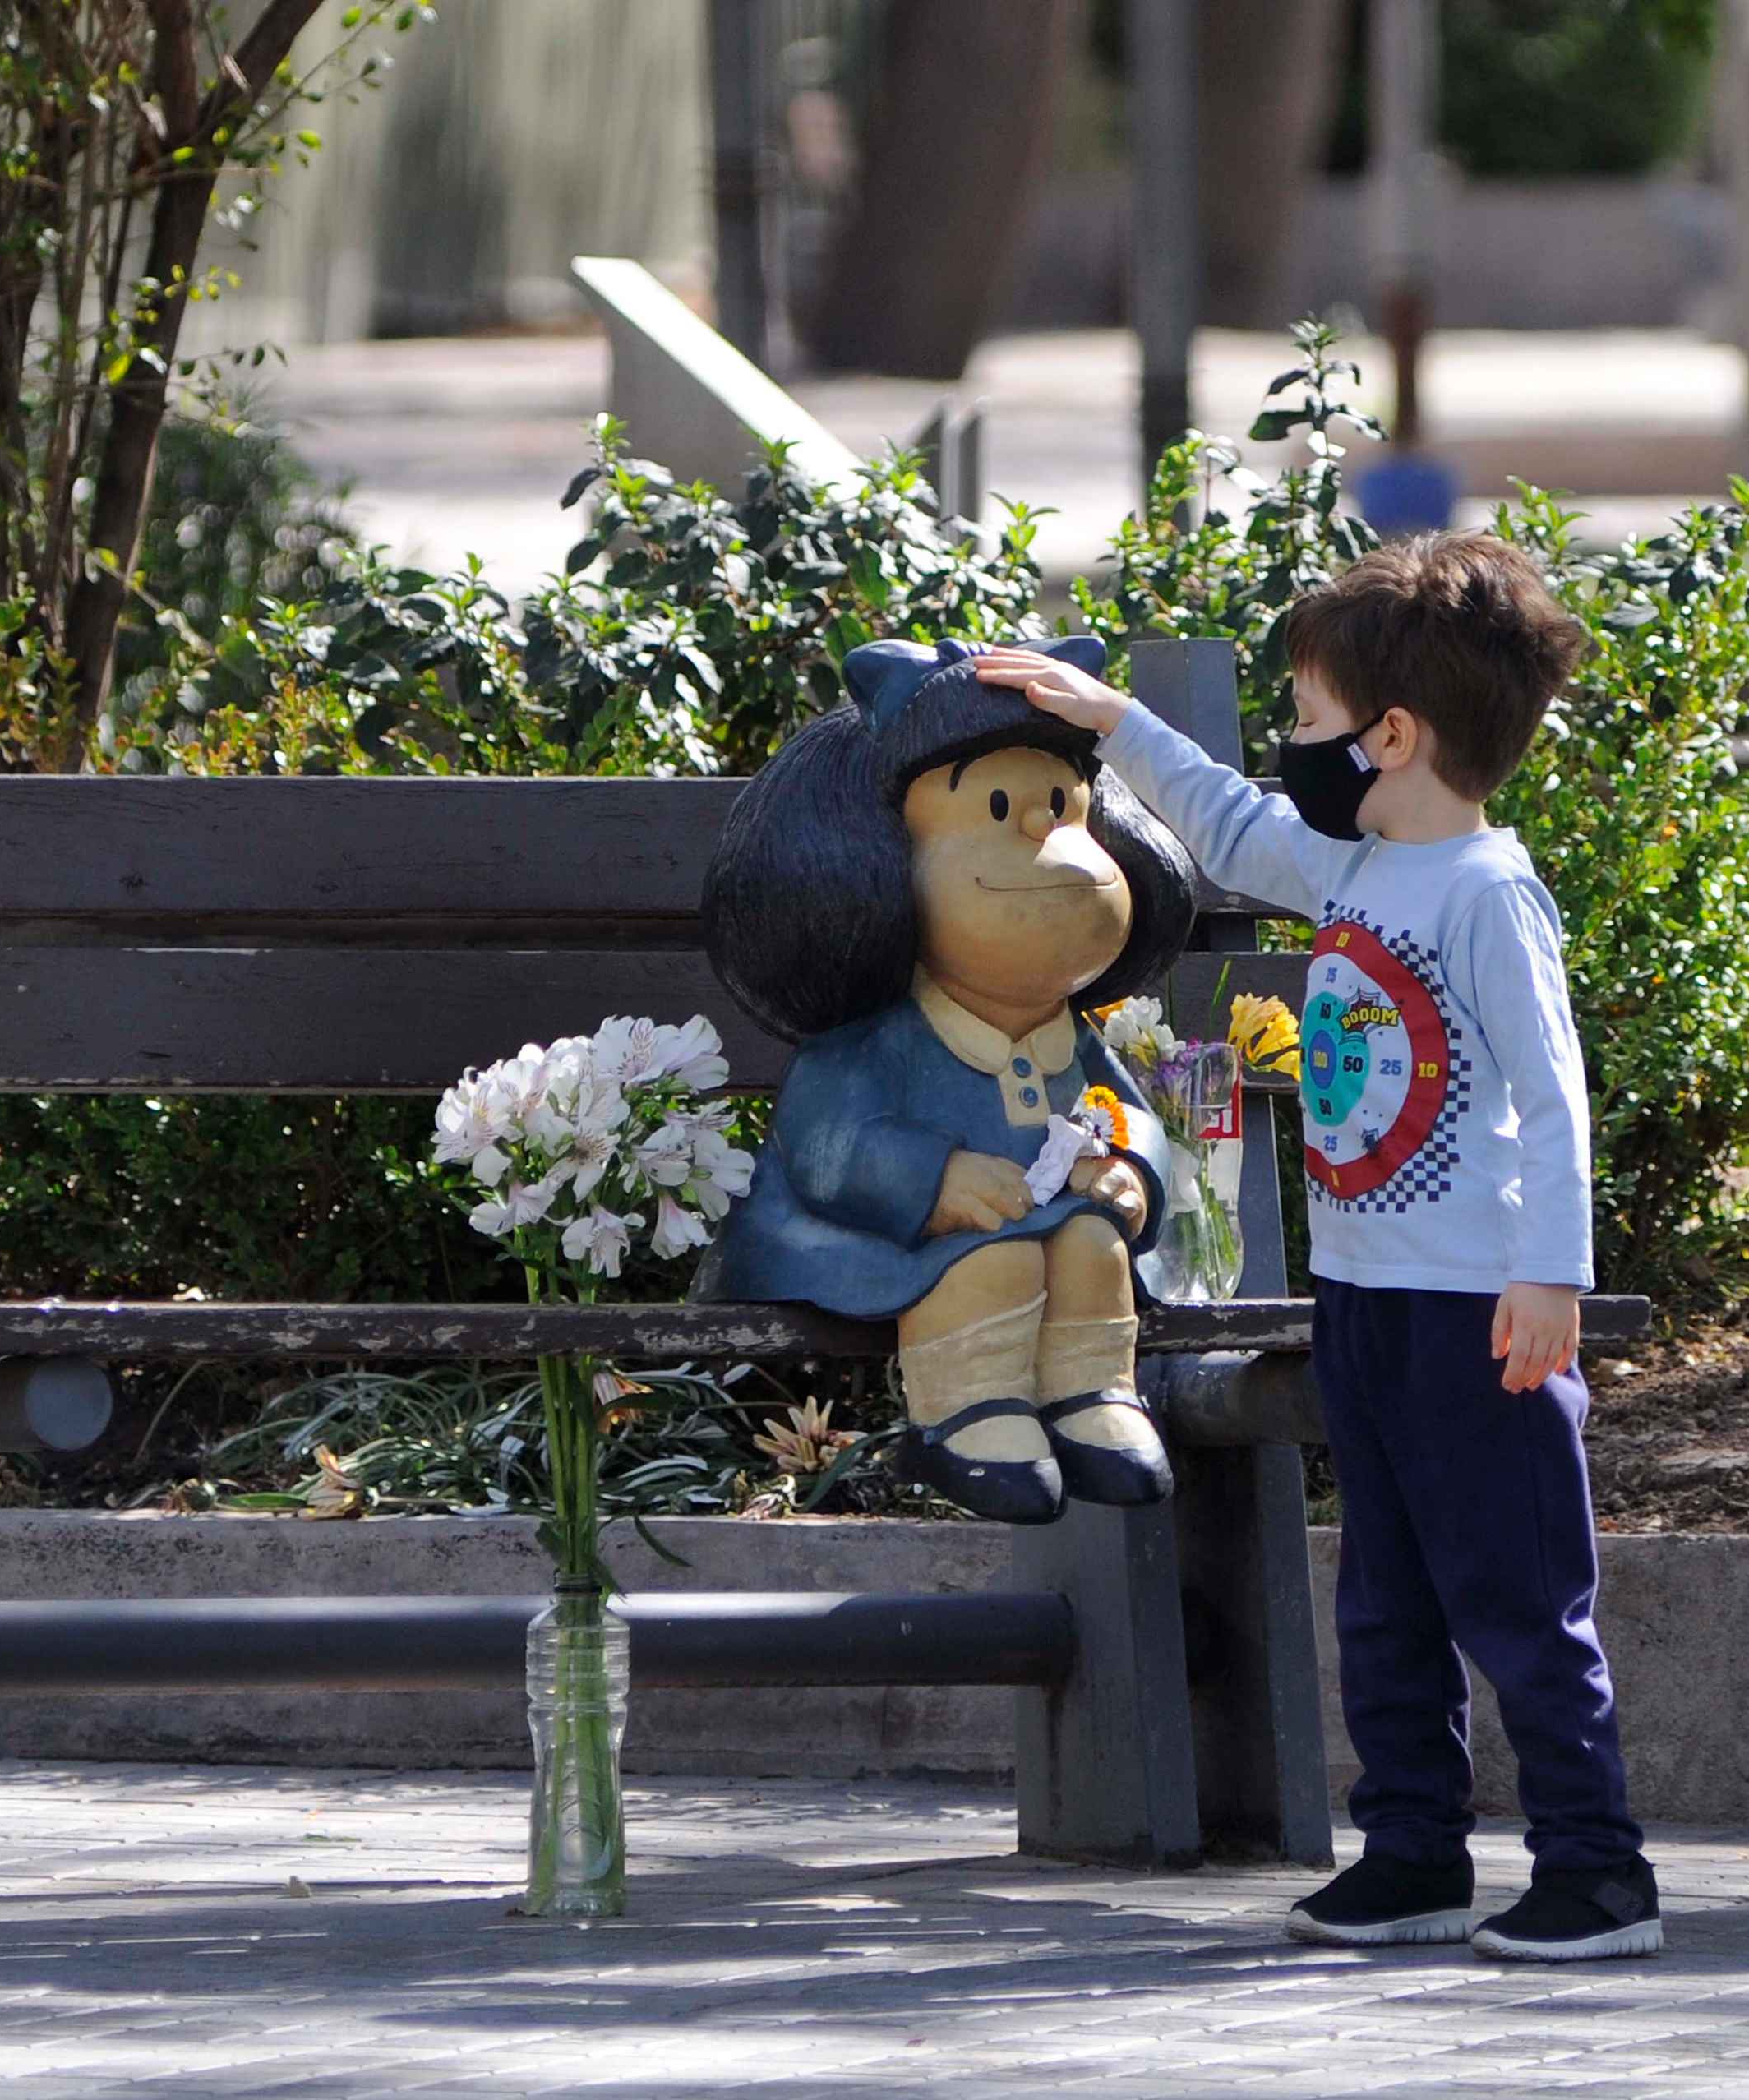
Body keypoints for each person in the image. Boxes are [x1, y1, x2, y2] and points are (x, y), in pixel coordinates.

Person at [976, 533, 1659, 1962]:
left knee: (1522, 1603)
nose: (1295, 746)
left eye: (1308, 717)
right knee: (1388, 1594)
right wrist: (1111, 724)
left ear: (1392, 735)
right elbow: (1223, 825)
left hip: (1480, 1309)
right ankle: (1413, 1854)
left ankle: (1596, 1871)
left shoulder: (1483, 892)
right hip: (1365, 1296)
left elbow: (1554, 1093)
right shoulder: (1353, 866)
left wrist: (1552, 1275)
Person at [697, 635, 1198, 1525]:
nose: (1050, 837)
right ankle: (969, 1410)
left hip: (1055, 1217)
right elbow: (826, 1142)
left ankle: (1093, 1394)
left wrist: (1127, 1161)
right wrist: (934, 1179)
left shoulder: (1069, 1034)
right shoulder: (884, 1038)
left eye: (1064, 806)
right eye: (1004, 806)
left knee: (1092, 1249)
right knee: (988, 1263)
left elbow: (1129, 1109)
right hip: (911, 1238)